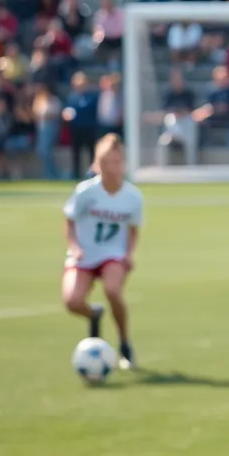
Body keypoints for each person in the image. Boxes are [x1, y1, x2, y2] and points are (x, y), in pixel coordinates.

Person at [62, 133, 143, 370]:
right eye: (105, 162)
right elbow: (69, 220)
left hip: (112, 253)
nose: (111, 168)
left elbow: (133, 230)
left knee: (112, 290)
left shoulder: (133, 197)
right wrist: (75, 247)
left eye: (116, 162)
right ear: (97, 164)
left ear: (123, 164)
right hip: (84, 255)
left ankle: (125, 344)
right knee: (72, 301)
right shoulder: (85, 192)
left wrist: (128, 253)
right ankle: (93, 315)